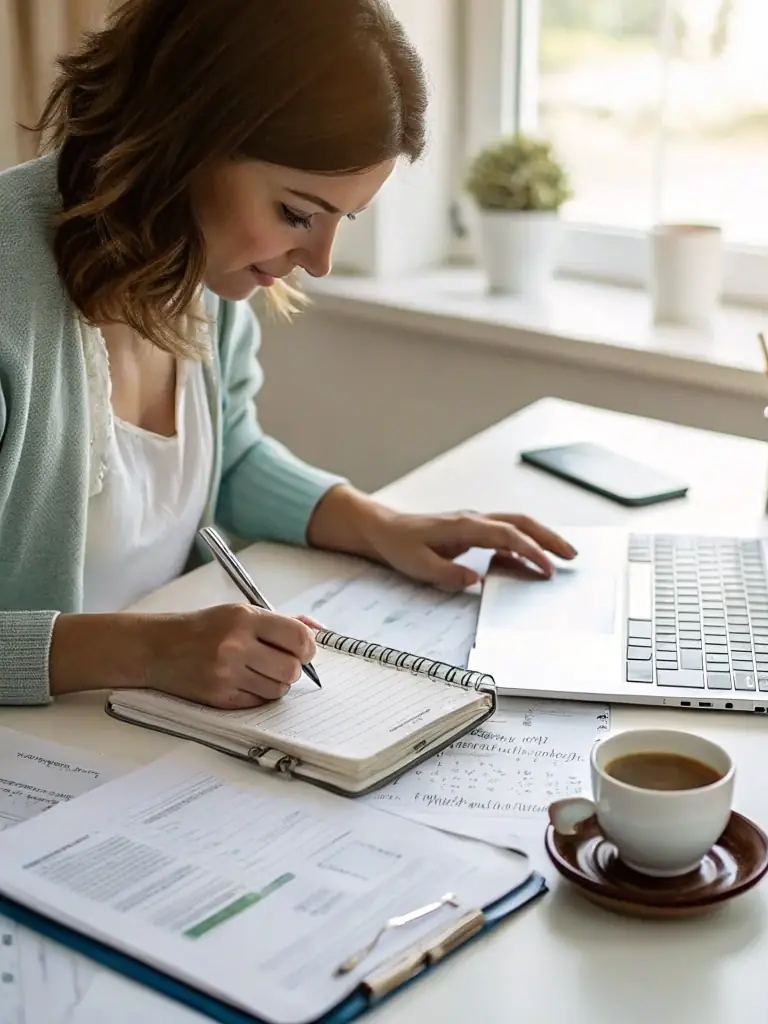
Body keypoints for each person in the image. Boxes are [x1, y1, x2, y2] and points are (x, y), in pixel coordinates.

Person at [0, 0, 575, 711]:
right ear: (184, 137)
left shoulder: (199, 272)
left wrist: (379, 525)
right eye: (298, 214)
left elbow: (227, 457)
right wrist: (148, 650)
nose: (321, 262)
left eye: (341, 221)